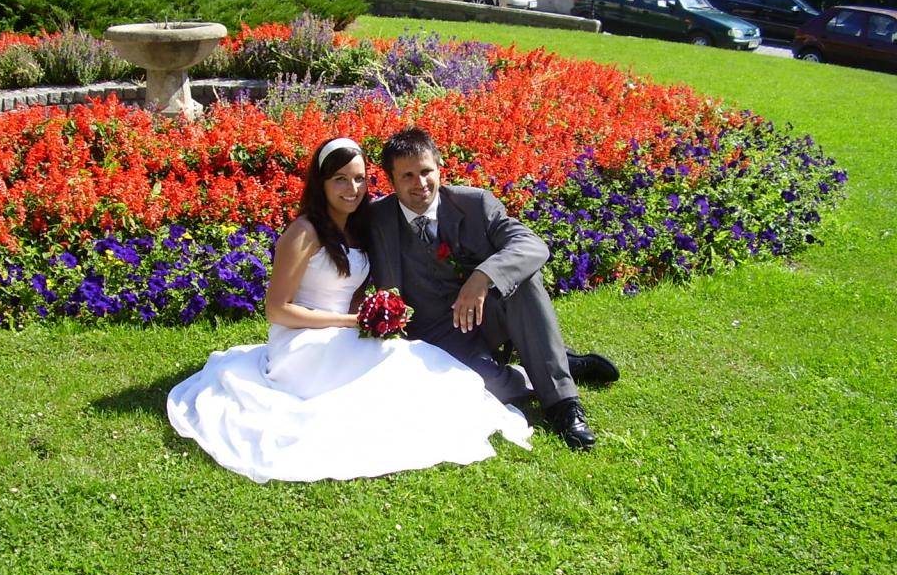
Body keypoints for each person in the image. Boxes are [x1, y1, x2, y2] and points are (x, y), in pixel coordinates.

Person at [167, 138, 532, 483]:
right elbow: (277, 310)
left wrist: (373, 315)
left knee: (410, 360)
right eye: (340, 179)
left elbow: (351, 293)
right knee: (395, 369)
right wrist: (351, 321)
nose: (352, 188)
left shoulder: (358, 229)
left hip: (344, 333)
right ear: (322, 183)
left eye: (359, 179)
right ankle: (512, 380)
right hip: (302, 342)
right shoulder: (304, 232)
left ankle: (509, 380)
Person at [367, 127, 619, 451]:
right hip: (437, 339)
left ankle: (563, 404)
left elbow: (531, 245)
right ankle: (555, 364)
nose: (421, 183)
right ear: (391, 180)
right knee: (482, 390)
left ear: (440, 167)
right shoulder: (376, 220)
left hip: (488, 317)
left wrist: (483, 276)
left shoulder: (474, 204)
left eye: (427, 171)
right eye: (408, 176)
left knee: (525, 280)